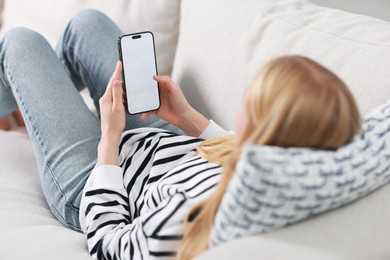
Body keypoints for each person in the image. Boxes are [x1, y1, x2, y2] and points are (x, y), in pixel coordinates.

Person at [0, 9, 361, 260]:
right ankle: (32, 88)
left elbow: (111, 243)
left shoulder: (186, 221)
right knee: (87, 24)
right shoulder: (285, 168)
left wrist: (108, 140)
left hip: (99, 181)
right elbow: (234, 152)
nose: (240, 109)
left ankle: (27, 89)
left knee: (20, 42)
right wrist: (185, 116)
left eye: (248, 104)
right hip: (162, 138)